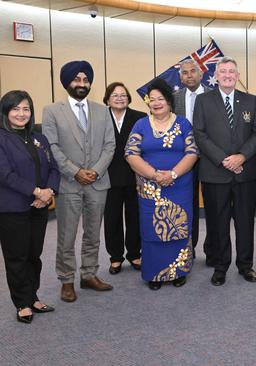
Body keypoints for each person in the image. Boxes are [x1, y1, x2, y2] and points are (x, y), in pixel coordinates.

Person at [42, 60, 116, 303]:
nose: (81, 84)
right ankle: (66, 280)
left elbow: (109, 145)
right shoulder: (52, 111)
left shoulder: (102, 111)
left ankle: (89, 274)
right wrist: (75, 171)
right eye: (77, 80)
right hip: (68, 183)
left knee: (93, 233)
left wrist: (94, 170)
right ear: (67, 82)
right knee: (66, 235)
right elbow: (51, 146)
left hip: (98, 182)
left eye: (85, 80)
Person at [193, 57, 256, 286]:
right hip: (215, 172)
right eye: (223, 71)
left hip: (245, 173)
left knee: (245, 223)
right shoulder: (203, 101)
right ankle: (220, 266)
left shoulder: (250, 101)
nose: (228, 75)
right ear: (216, 75)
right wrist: (224, 160)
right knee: (217, 222)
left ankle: (245, 266)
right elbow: (199, 134)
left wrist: (241, 156)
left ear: (238, 76)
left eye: (232, 71)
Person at [125, 78, 199, 290]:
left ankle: (179, 271)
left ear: (169, 101)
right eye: (152, 99)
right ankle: (155, 273)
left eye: (161, 99)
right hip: (150, 189)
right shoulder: (140, 124)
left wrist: (173, 174)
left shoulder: (183, 123)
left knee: (179, 228)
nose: (156, 103)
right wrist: (154, 174)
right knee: (152, 230)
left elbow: (192, 152)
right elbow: (130, 153)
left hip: (180, 186)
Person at [0, 90, 60, 323]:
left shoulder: (38, 137)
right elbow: (5, 174)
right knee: (17, 256)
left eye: (26, 109)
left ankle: (33, 296)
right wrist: (36, 191)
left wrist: (49, 192)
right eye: (15, 109)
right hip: (12, 208)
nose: (21, 113)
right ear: (6, 111)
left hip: (39, 206)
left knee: (34, 255)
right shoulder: (2, 138)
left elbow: (54, 168)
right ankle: (22, 303)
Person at [103, 82, 147, 275]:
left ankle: (135, 254)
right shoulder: (100, 118)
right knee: (112, 218)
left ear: (129, 98)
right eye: (115, 95)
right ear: (107, 99)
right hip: (107, 177)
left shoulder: (140, 118)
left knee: (134, 217)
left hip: (134, 176)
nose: (119, 98)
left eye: (123, 94)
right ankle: (115, 257)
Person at [173, 59, 213, 254]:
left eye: (193, 71)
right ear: (180, 77)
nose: (189, 75)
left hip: (210, 159)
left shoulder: (213, 96)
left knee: (213, 203)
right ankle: (190, 246)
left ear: (201, 74)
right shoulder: (173, 98)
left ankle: (212, 248)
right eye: (185, 73)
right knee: (187, 204)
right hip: (182, 161)